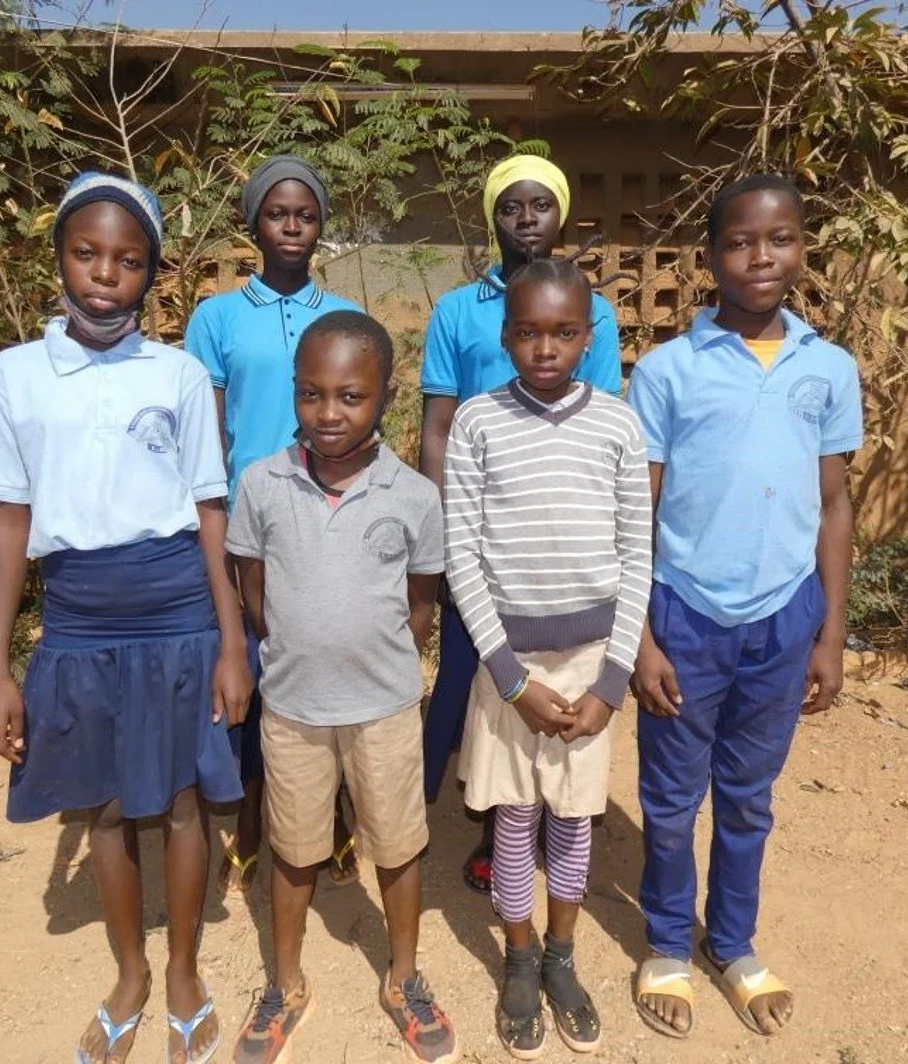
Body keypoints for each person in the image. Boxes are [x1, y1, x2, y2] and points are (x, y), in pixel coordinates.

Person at [0, 171, 253, 1064]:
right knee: (100, 807)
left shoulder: (177, 373)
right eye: (87, 254)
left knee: (177, 804)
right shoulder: (13, 376)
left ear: (151, 275)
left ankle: (182, 971)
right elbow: (10, 524)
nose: (105, 274)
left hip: (178, 611)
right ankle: (129, 972)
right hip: (81, 623)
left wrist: (232, 640)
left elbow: (211, 509)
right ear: (58, 256)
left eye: (128, 261)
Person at [626, 174, 861, 1040]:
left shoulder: (828, 368)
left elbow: (833, 503)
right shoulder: (666, 371)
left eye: (780, 238)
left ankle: (731, 942)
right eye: (738, 242)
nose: (760, 257)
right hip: (685, 613)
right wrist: (643, 631)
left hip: (784, 614)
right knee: (671, 796)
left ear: (803, 248)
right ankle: (664, 943)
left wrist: (830, 630)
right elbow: (637, 512)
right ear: (708, 257)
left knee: (749, 797)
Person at [226, 311, 457, 1064]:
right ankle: (285, 985)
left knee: (396, 848)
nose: (328, 413)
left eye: (350, 397)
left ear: (386, 395)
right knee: (294, 852)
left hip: (384, 711)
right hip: (292, 710)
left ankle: (405, 978)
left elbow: (421, 603)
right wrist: (293, 647)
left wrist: (376, 655)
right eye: (311, 394)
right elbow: (252, 585)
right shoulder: (262, 484)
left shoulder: (415, 496)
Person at [444, 259, 654, 1058]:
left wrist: (612, 680)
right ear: (505, 337)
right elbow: (462, 554)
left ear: (588, 339)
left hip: (589, 664)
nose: (544, 348)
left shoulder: (616, 424)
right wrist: (509, 678)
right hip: (511, 669)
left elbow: (638, 556)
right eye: (528, 332)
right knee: (513, 818)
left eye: (564, 333)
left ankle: (562, 955)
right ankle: (520, 955)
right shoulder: (477, 423)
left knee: (572, 820)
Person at [418, 154, 625, 894]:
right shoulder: (455, 312)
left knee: (560, 676)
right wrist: (445, 531)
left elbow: (601, 428)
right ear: (492, 218)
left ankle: (547, 824)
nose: (527, 218)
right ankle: (490, 822)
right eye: (512, 206)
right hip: (484, 525)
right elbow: (437, 427)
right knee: (477, 679)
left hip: (558, 528)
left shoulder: (591, 308)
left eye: (541, 204)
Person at [185, 154, 362, 897]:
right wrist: (216, 528)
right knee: (257, 671)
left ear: (321, 224)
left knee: (334, 664)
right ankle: (254, 815)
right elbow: (205, 436)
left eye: (307, 214)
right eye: (277, 213)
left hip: (331, 515)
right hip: (250, 521)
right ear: (255, 221)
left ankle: (342, 815)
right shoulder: (217, 317)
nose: (293, 226)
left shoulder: (344, 318)